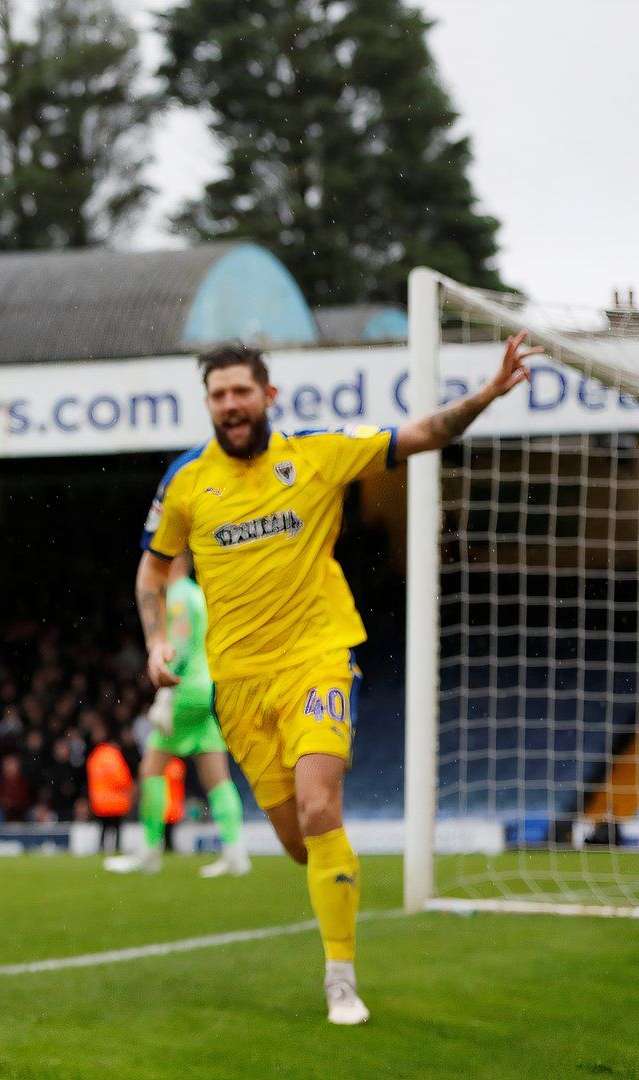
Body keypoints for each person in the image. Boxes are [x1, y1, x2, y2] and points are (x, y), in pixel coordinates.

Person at [135, 333, 540, 1025]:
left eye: (241, 391)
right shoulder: (185, 481)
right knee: (300, 844)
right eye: (218, 394)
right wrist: (155, 640)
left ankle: (341, 980)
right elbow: (152, 567)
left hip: (317, 657)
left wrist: (485, 394)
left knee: (320, 805)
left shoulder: (317, 454)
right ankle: (334, 872)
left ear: (268, 394)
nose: (230, 404)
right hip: (238, 685)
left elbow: (421, 434)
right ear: (208, 403)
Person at [107, 554, 250, 878]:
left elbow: (181, 646)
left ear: (175, 562)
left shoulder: (179, 596)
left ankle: (150, 850)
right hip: (204, 687)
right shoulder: (198, 594)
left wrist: (167, 693)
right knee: (217, 777)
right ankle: (236, 853)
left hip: (183, 690)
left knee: (151, 769)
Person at [86, 735, 134, 854]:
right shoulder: (114, 756)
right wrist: (129, 786)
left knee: (103, 827)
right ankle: (117, 848)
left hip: (99, 801)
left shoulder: (95, 756)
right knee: (117, 828)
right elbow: (121, 779)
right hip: (115, 801)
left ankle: (101, 848)